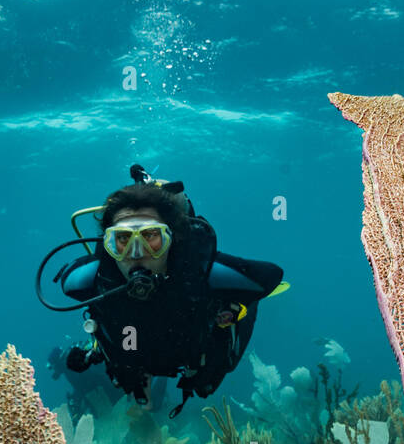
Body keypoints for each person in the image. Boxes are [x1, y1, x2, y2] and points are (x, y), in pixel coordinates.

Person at [39, 164, 285, 416]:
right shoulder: (90, 280)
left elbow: (270, 276)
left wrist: (232, 306)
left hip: (190, 354)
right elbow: (66, 279)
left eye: (151, 237)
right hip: (132, 348)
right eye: (122, 239)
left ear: (172, 240)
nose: (136, 253)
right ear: (108, 245)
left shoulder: (200, 273)